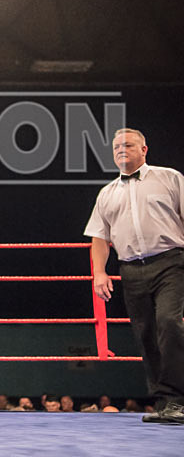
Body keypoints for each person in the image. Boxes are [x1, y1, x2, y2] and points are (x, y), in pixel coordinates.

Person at [85, 127, 184, 425]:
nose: (121, 150)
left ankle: (179, 399)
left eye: (128, 144)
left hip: (170, 262)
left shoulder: (169, 178)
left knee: (169, 322)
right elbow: (99, 238)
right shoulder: (107, 193)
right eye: (116, 147)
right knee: (146, 334)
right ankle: (167, 403)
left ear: (144, 149)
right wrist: (100, 273)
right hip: (130, 269)